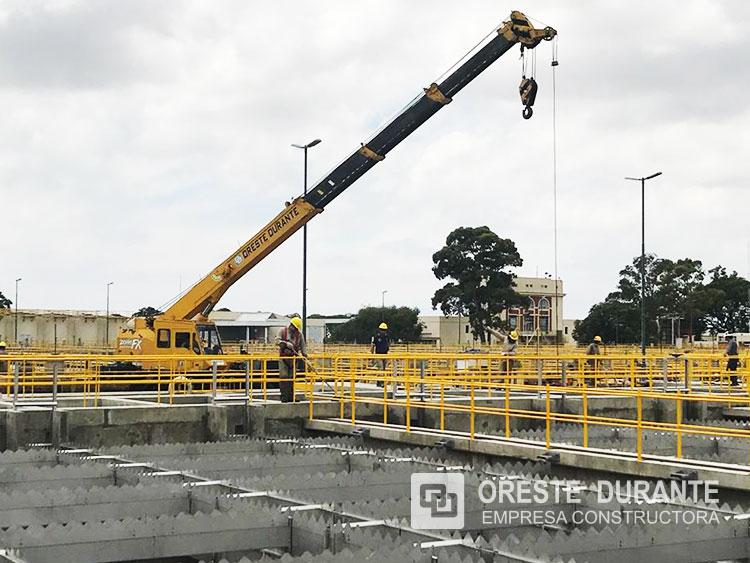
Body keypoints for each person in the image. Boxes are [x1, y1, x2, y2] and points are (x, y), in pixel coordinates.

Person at [275, 316, 307, 403]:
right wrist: (285, 343)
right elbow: (277, 341)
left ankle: (291, 397)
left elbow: (303, 346)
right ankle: (284, 397)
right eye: (294, 328)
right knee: (284, 377)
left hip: (294, 359)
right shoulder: (282, 331)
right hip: (284, 358)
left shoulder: (299, 335)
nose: (295, 330)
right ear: (291, 325)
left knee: (292, 378)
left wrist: (305, 356)